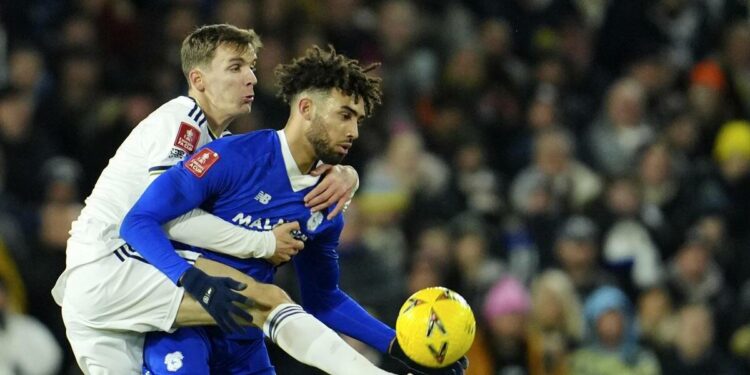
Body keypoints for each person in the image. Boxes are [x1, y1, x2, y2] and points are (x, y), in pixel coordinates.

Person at [120, 45, 467, 374]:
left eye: (358, 120)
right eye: (345, 115)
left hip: (246, 341)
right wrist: (193, 280)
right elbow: (138, 221)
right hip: (185, 326)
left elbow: (323, 300)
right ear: (305, 108)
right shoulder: (233, 157)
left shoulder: (327, 204)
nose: (354, 131)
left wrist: (399, 347)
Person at [51, 24, 361, 374]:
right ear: (198, 80)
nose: (251, 79)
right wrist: (260, 243)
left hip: (101, 299)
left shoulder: (219, 144)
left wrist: (345, 173)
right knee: (264, 302)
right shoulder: (183, 123)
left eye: (252, 67)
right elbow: (164, 218)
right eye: (235, 67)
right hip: (113, 267)